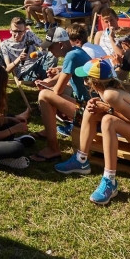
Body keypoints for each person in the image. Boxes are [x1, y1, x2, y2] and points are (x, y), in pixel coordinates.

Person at [55, 59, 130, 205]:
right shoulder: (109, 87)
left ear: (93, 82)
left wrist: (107, 109)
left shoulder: (110, 94)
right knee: (90, 109)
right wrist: (99, 106)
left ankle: (110, 181)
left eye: (86, 78)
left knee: (108, 121)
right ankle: (81, 160)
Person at [33, 25, 91, 162]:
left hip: (90, 113)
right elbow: (65, 75)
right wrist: (48, 83)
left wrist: (46, 88)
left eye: (50, 47)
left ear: (60, 44)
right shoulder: (76, 51)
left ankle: (53, 148)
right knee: (48, 88)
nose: (49, 50)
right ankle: (49, 130)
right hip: (91, 105)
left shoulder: (71, 56)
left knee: (44, 96)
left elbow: (57, 91)